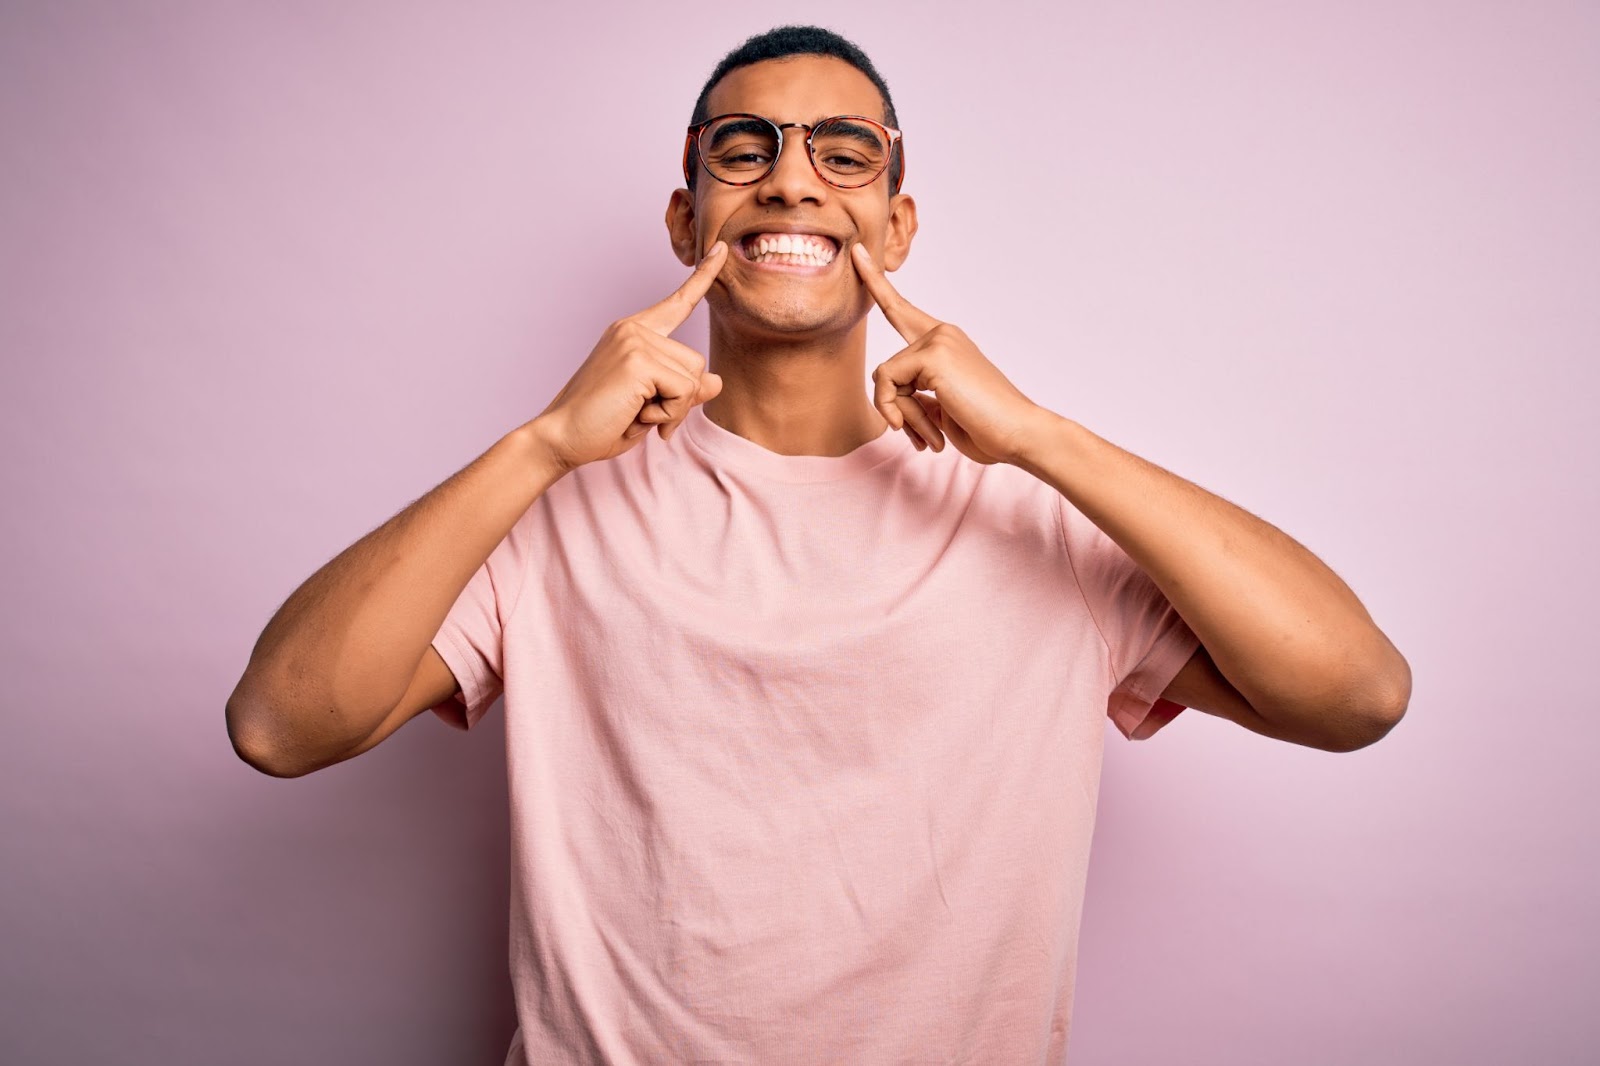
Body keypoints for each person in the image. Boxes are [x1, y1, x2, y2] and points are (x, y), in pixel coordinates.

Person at [226, 24, 1411, 1064]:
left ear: (892, 225)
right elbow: (278, 726)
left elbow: (1355, 693)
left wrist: (1042, 439)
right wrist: (540, 443)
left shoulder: (1036, 525)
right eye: (744, 150)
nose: (792, 183)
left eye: (842, 155)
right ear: (689, 215)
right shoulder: (550, 515)